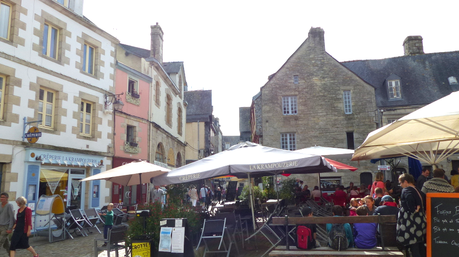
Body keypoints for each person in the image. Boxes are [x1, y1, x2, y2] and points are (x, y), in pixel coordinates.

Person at [397, 173, 426, 257]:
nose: (400, 185)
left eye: (401, 183)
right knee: (420, 243)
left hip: (410, 222)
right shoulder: (417, 190)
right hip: (420, 220)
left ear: (405, 181)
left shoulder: (406, 190)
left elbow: (409, 198)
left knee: (413, 244)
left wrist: (411, 209)